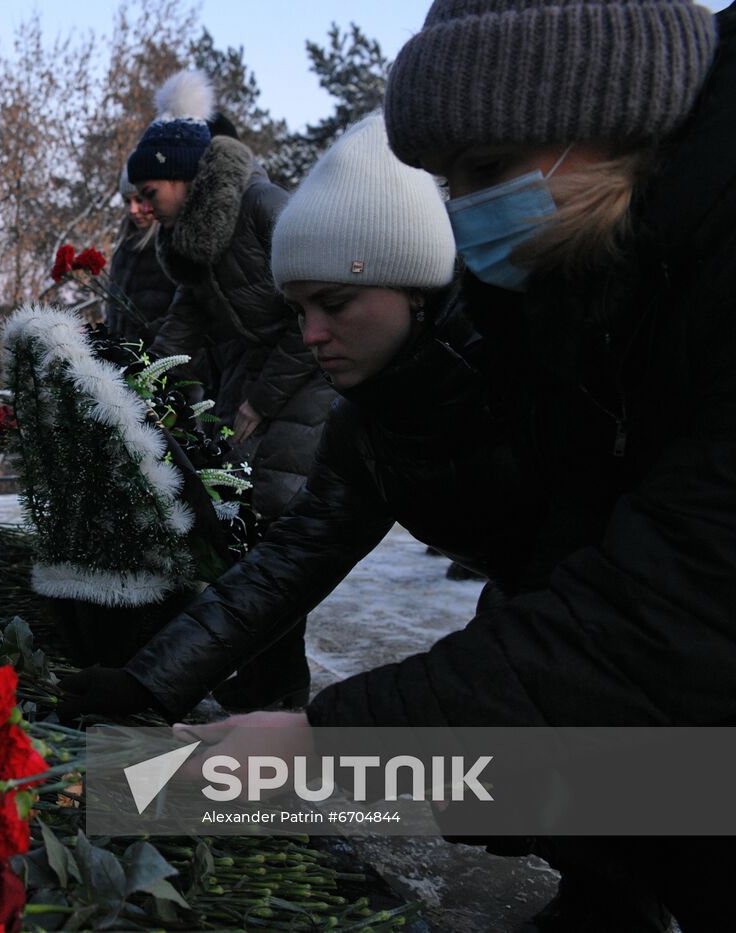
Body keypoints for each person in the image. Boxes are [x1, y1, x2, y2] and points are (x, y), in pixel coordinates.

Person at [177, 2, 735, 928]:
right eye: (449, 181)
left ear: (607, 107)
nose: (466, 210)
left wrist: (333, 750)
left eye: (484, 171)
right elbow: (572, 553)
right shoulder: (576, 274)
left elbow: (670, 612)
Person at [59, 112, 544, 720]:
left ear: (414, 284)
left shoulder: (530, 371)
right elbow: (286, 566)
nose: (312, 335)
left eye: (335, 304)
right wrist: (148, 683)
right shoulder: (368, 423)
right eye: (297, 310)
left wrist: (326, 733)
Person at [127, 70, 336, 709]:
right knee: (249, 534)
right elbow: (181, 323)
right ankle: (268, 680)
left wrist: (259, 400)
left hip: (307, 386)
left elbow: (318, 315)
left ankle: (280, 692)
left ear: (185, 179)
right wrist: (132, 379)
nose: (138, 206)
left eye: (147, 191)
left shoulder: (265, 208)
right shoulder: (190, 238)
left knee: (272, 531)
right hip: (261, 387)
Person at [102, 165, 176, 347]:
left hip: (162, 362)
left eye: (139, 199)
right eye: (127, 202)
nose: (133, 210)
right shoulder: (123, 248)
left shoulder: (171, 247)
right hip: (125, 363)